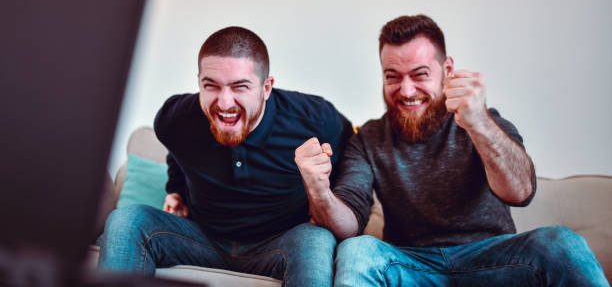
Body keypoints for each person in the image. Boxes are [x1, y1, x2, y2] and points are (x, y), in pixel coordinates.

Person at [295, 15, 608, 286]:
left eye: (420, 75)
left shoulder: (485, 121)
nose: (406, 90)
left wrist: (479, 124)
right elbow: (349, 225)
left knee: (560, 241)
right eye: (393, 77)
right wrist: (319, 191)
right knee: (357, 251)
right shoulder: (369, 138)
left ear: (447, 70)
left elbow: (521, 192)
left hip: (494, 261)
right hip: (412, 266)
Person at [99, 26, 353, 286]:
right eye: (211, 86)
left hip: (280, 242)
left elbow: (354, 154)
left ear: (267, 88)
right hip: (201, 237)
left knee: (317, 239)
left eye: (239, 87)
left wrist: (324, 197)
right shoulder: (175, 119)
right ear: (199, 81)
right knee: (126, 220)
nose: (224, 103)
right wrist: (176, 190)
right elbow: (177, 151)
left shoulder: (316, 119)